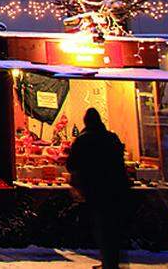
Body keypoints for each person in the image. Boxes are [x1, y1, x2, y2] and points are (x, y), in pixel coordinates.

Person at [66, 108, 130, 269]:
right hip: (116, 187)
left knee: (102, 225)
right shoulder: (112, 137)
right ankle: (111, 261)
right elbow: (120, 160)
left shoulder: (82, 140)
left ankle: (108, 262)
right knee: (113, 225)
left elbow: (71, 164)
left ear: (86, 122)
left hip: (95, 188)